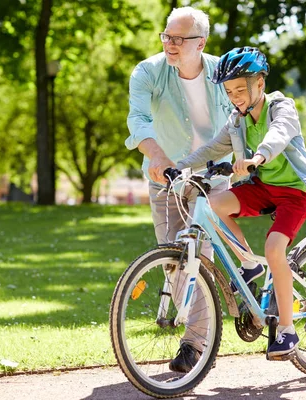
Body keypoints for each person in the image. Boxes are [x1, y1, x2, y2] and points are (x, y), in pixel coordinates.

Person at [175, 47, 306, 359]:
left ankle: (287, 331)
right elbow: (213, 148)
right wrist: (181, 167)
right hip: (263, 187)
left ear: (260, 83)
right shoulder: (237, 121)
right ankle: (248, 264)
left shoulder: (282, 107)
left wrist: (257, 157)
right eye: (229, 91)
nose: (235, 97)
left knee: (274, 249)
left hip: (296, 193)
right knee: (213, 204)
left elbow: (279, 134)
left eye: (241, 89)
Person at [125, 7, 240, 373]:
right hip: (166, 178)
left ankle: (194, 345)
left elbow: (241, 115)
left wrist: (245, 161)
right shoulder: (148, 72)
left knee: (200, 259)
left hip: (212, 177)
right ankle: (207, 330)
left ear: (201, 43)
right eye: (166, 36)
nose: (170, 44)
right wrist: (158, 157)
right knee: (175, 262)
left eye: (179, 38)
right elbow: (138, 120)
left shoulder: (224, 72)